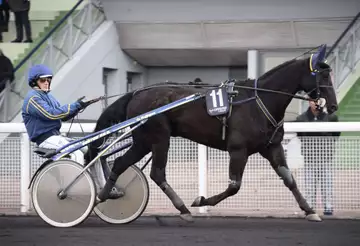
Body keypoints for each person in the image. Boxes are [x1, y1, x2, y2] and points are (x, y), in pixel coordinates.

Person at [21, 64, 122, 198]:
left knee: (93, 151)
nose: (46, 83)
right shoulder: (32, 99)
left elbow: (64, 116)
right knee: (76, 154)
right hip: (45, 140)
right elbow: (52, 114)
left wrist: (82, 104)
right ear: (35, 82)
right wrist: (76, 105)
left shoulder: (49, 97)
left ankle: (104, 189)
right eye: (43, 80)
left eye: (48, 80)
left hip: (56, 137)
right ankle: (78, 189)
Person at [294, 100, 340, 216]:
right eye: (313, 101)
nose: (316, 103)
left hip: (325, 157)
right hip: (309, 157)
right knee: (309, 184)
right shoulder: (301, 118)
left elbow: (336, 135)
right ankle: (310, 206)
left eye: (318, 101)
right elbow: (300, 136)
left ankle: (328, 206)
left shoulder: (331, 118)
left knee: (327, 183)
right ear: (309, 102)